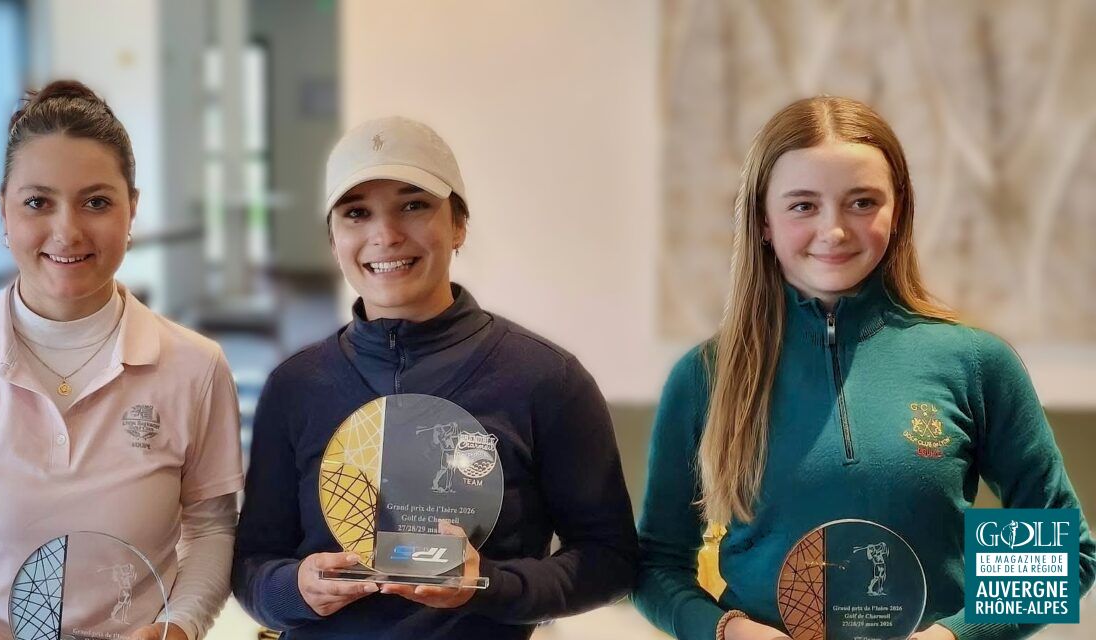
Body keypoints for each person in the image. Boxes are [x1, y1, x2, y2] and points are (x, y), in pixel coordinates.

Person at [633, 95, 1095, 640]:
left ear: (897, 212)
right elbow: (657, 565)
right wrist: (729, 631)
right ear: (763, 221)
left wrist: (957, 636)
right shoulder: (706, 374)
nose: (834, 231)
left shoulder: (975, 361)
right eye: (803, 205)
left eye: (861, 202)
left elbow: (1064, 551)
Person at [0, 80, 243, 640]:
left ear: (133, 210)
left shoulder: (195, 367)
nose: (67, 230)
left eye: (97, 202)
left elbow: (212, 531)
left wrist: (179, 628)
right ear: (2, 211)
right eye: (38, 202)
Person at [231, 116, 638, 638]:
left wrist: (490, 584)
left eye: (414, 205)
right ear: (333, 240)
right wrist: (297, 588)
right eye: (356, 213)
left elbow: (611, 559)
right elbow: (251, 566)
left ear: (459, 225)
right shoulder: (296, 385)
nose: (386, 234)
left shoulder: (546, 380)